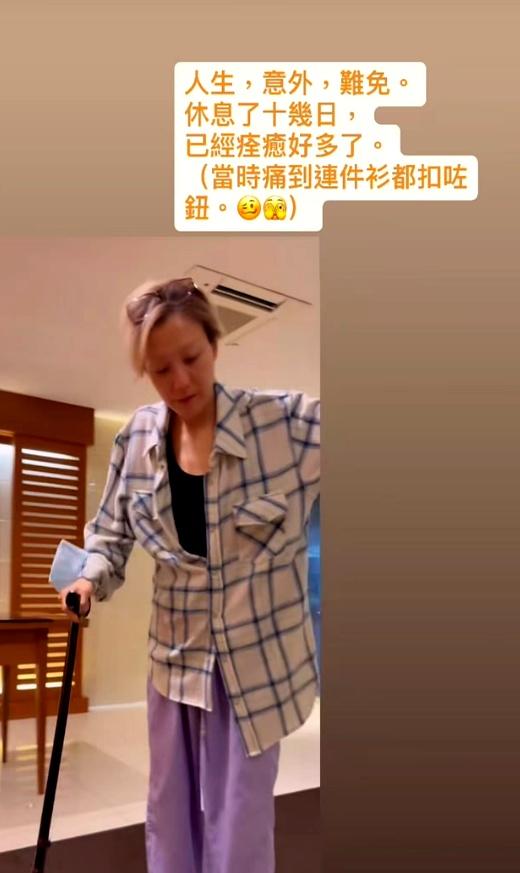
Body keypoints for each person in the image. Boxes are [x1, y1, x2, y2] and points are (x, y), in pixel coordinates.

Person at [59, 276, 320, 873]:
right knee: (168, 812)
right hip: (175, 658)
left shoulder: (283, 423)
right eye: (159, 370)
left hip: (256, 664)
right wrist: (88, 579)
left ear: (215, 344)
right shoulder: (137, 438)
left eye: (191, 358)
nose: (179, 381)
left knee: (241, 822)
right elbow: (109, 535)